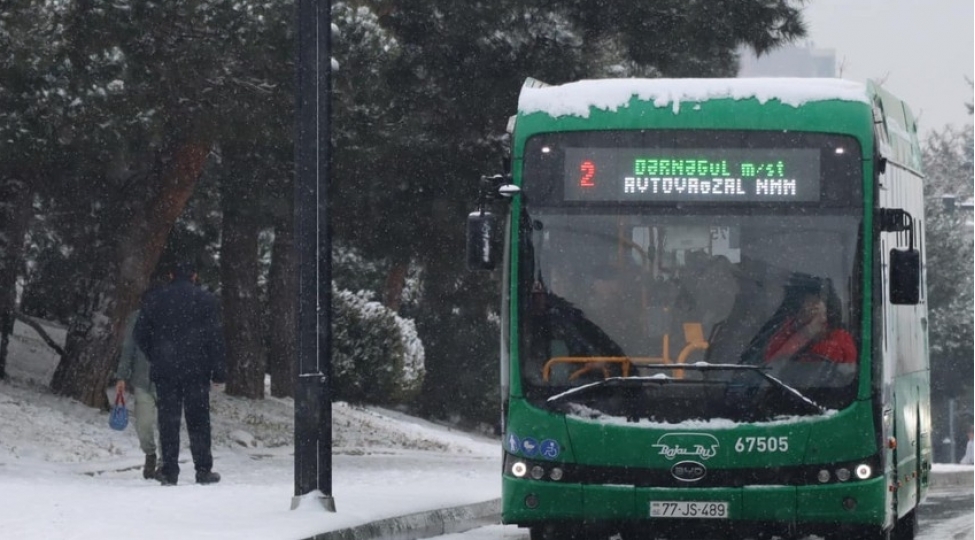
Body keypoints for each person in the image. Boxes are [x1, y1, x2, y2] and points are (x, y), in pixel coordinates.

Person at [135, 261, 226, 486]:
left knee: (168, 420)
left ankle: (169, 470)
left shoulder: (156, 299)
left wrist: (155, 354)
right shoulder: (206, 300)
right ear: (194, 276)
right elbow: (215, 338)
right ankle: (203, 469)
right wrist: (219, 372)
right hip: (197, 369)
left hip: (166, 368)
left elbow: (140, 333)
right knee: (199, 420)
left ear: (170, 275)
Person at [114, 304, 160, 479]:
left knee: (167, 425)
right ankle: (150, 453)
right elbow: (128, 347)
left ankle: (166, 462)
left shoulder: (181, 314)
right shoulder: (137, 317)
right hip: (142, 379)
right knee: (143, 423)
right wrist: (122, 376)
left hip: (170, 380)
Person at [763, 290, 856, 364]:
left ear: (826, 310)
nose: (811, 309)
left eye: (816, 304)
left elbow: (848, 359)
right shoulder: (788, 329)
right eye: (807, 303)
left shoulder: (839, 335)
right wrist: (803, 334)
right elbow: (773, 359)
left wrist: (813, 342)